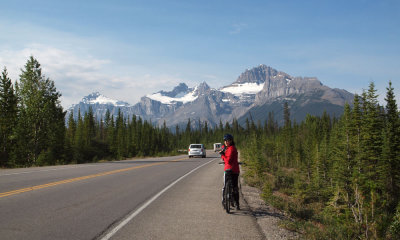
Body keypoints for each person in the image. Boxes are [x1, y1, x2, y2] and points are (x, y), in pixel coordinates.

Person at [220, 133, 240, 210]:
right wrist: (224, 154)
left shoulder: (231, 149)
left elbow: (228, 160)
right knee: (235, 187)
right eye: (225, 141)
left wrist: (222, 155)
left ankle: (224, 201)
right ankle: (237, 204)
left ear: (231, 141)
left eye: (227, 140)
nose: (226, 142)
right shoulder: (231, 148)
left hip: (229, 169)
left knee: (225, 186)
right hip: (235, 170)